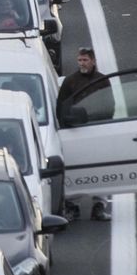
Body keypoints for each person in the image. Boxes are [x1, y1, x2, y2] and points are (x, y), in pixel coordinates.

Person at [57, 48, 111, 222]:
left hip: (97, 130)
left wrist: (100, 124)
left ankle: (99, 206)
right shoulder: (70, 82)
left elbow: (110, 105)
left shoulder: (102, 81)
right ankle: (73, 206)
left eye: (85, 60)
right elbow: (61, 107)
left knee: (101, 168)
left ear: (93, 61)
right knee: (76, 168)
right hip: (76, 131)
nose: (82, 63)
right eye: (79, 60)